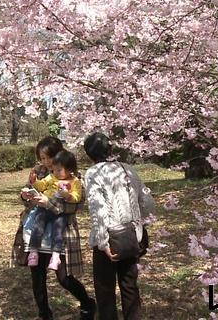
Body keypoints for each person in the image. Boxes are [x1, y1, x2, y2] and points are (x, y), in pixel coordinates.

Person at [12, 136, 96, 320]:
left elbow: (74, 205)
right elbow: (29, 193)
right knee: (37, 275)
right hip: (38, 229)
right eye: (42, 158)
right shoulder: (38, 171)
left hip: (60, 232)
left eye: (49, 157)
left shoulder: (72, 174)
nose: (46, 162)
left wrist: (48, 203)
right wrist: (26, 196)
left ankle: (88, 303)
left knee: (63, 277)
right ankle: (44, 314)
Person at [83, 132, 153, 320]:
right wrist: (139, 224)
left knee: (105, 290)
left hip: (109, 239)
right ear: (110, 149)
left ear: (89, 154)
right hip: (132, 236)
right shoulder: (127, 168)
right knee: (130, 286)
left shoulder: (92, 173)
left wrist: (103, 243)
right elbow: (147, 201)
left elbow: (98, 211)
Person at [28, 150, 82, 271]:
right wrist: (35, 182)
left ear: (69, 170)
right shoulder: (52, 177)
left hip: (60, 212)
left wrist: (68, 196)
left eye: (59, 170)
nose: (55, 173)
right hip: (45, 208)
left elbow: (77, 197)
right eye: (54, 170)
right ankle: (33, 251)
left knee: (58, 232)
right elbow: (42, 185)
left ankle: (56, 255)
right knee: (38, 226)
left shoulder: (75, 181)